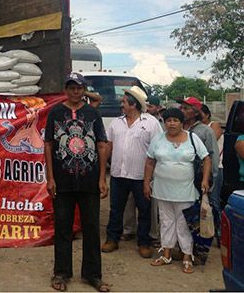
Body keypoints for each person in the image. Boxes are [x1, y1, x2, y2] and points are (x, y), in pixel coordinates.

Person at [45, 73, 110, 292]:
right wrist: (50, 177)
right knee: (62, 227)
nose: (76, 92)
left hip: (89, 181)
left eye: (79, 88)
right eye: (72, 88)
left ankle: (93, 275)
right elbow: (48, 145)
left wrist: (102, 178)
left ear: (84, 90)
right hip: (62, 182)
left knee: (91, 228)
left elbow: (101, 145)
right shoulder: (55, 113)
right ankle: (61, 273)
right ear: (66, 89)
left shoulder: (92, 113)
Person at [144, 108, 211, 274]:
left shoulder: (192, 138)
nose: (171, 123)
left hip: (186, 190)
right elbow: (150, 162)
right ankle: (166, 254)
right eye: (168, 120)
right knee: (166, 222)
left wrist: (204, 180)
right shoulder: (158, 139)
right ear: (164, 123)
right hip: (162, 189)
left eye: (175, 120)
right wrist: (146, 183)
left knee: (184, 224)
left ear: (182, 123)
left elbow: (206, 159)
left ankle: (187, 256)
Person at [102, 87, 163, 258]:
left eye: (124, 102)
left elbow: (158, 149)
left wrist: (151, 178)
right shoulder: (116, 123)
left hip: (141, 176)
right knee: (116, 209)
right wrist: (101, 170)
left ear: (133, 104)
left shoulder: (151, 123)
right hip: (118, 175)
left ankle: (144, 243)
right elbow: (108, 146)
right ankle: (112, 239)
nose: (121, 105)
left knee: (144, 210)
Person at [201, 104, 224, 240]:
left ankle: (220, 231)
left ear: (207, 114)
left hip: (216, 167)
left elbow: (208, 143)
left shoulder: (213, 125)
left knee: (214, 200)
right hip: (203, 169)